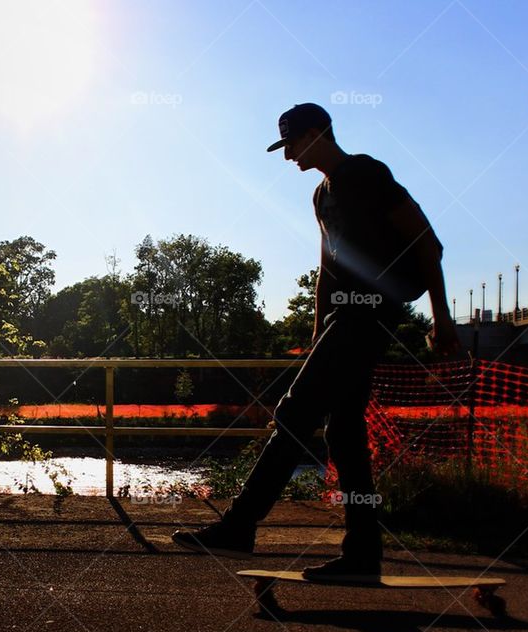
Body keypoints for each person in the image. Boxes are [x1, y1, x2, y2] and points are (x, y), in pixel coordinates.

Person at [172, 103, 461, 577]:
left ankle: (239, 528)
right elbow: (328, 268)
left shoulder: (365, 172)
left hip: (371, 315)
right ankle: (363, 556)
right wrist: (316, 331)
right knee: (344, 434)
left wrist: (441, 317)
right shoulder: (321, 195)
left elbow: (427, 242)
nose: (288, 157)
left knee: (293, 412)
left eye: (292, 145)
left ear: (316, 134)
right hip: (343, 320)